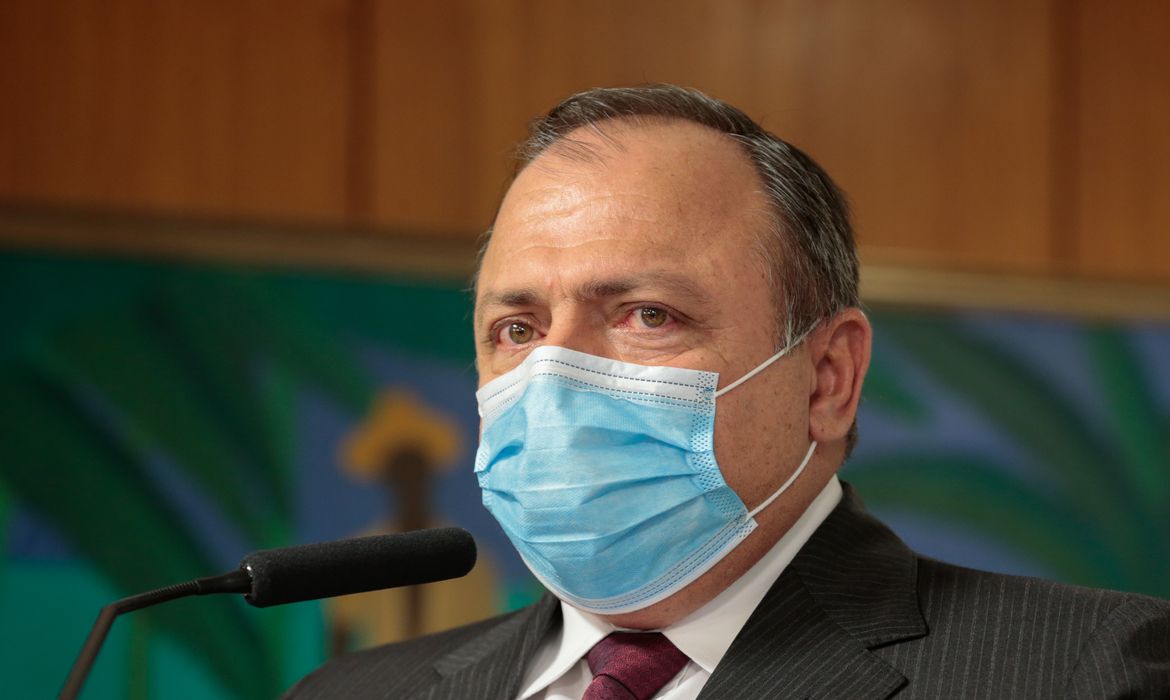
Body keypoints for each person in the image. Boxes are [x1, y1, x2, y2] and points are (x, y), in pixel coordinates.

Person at [285, 85, 1170, 699]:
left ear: (828, 378)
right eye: (517, 329)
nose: (552, 375)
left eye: (646, 315)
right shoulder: (348, 693)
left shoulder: (1091, 674)